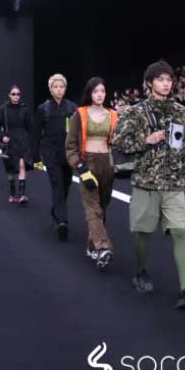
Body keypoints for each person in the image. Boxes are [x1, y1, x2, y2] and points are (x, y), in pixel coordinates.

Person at [112, 60, 185, 309]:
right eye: (160, 79)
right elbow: (119, 142)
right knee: (143, 233)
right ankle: (141, 271)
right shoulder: (135, 112)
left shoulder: (181, 112)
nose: (166, 84)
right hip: (145, 182)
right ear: (149, 83)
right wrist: (147, 140)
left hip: (174, 183)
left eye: (169, 79)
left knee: (179, 231)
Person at [66, 77, 119, 270]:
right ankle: (103, 247)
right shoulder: (79, 114)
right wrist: (80, 167)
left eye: (102, 91)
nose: (99, 94)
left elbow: (120, 142)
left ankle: (92, 244)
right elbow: (70, 145)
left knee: (102, 207)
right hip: (87, 163)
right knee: (92, 207)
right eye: (96, 91)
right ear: (90, 93)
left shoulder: (113, 115)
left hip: (108, 164)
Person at [30, 73, 78, 241]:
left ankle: (56, 212)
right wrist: (36, 157)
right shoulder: (43, 109)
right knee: (57, 185)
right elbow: (36, 133)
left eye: (61, 87)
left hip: (68, 153)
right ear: (50, 89)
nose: (58, 90)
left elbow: (78, 132)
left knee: (66, 184)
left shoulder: (72, 108)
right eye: (55, 87)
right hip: (50, 152)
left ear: (65, 88)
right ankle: (62, 222)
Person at [0, 85, 32, 204]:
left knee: (21, 164)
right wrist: (1, 136)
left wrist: (32, 141)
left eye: (18, 94)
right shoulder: (3, 109)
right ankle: (12, 191)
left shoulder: (25, 109)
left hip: (22, 141)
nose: (16, 96)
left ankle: (21, 195)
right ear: (9, 95)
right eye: (13, 94)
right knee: (10, 169)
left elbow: (30, 126)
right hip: (9, 141)